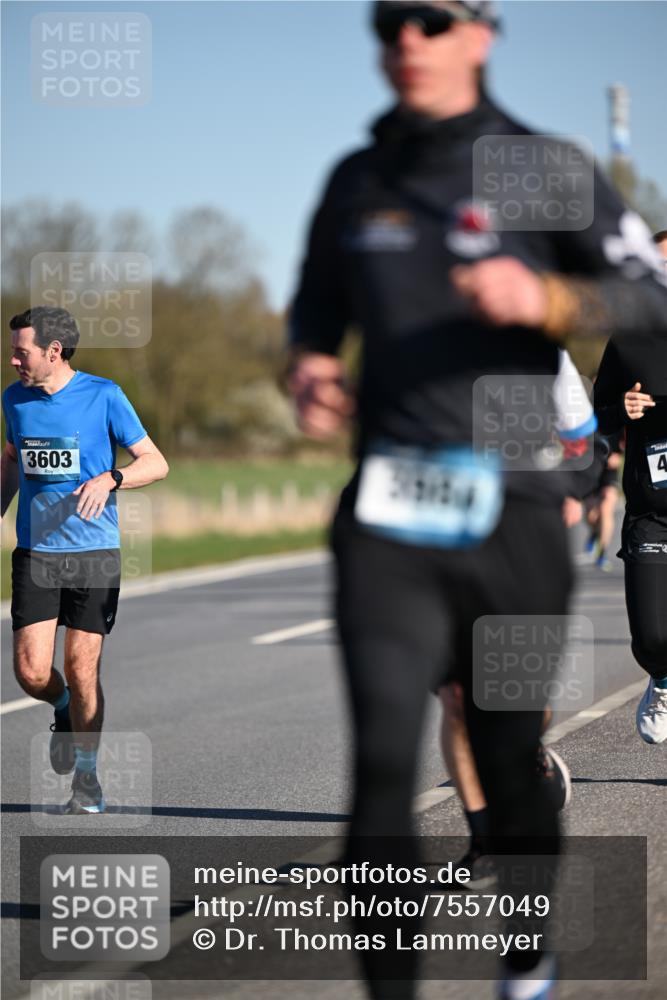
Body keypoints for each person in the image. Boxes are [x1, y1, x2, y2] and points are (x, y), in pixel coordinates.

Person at [287, 3, 667, 998]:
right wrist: (311, 362)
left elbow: (651, 309)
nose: (404, 38)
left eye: (429, 18)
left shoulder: (538, 166)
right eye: (386, 22)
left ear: (480, 33)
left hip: (513, 515)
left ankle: (527, 956)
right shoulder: (357, 178)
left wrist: (552, 303)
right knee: (376, 768)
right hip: (385, 516)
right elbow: (318, 298)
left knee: (506, 752)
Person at [1, 306, 169, 813]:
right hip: (37, 553)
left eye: (20, 351)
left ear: (53, 351)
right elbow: (11, 460)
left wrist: (111, 478)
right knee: (31, 672)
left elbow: (155, 462)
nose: (12, 360)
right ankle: (62, 707)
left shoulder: (104, 395)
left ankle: (88, 779)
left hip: (93, 553)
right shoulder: (15, 399)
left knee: (80, 665)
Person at [595, 230, 667, 744]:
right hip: (652, 511)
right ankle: (661, 677)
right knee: (653, 635)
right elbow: (593, 415)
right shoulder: (627, 340)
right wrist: (620, 409)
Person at [582, 429, 624, 572]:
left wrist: (620, 454)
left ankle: (602, 553)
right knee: (592, 516)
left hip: (609, 471)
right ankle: (594, 533)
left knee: (606, 507)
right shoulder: (588, 415)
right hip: (591, 469)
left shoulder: (616, 412)